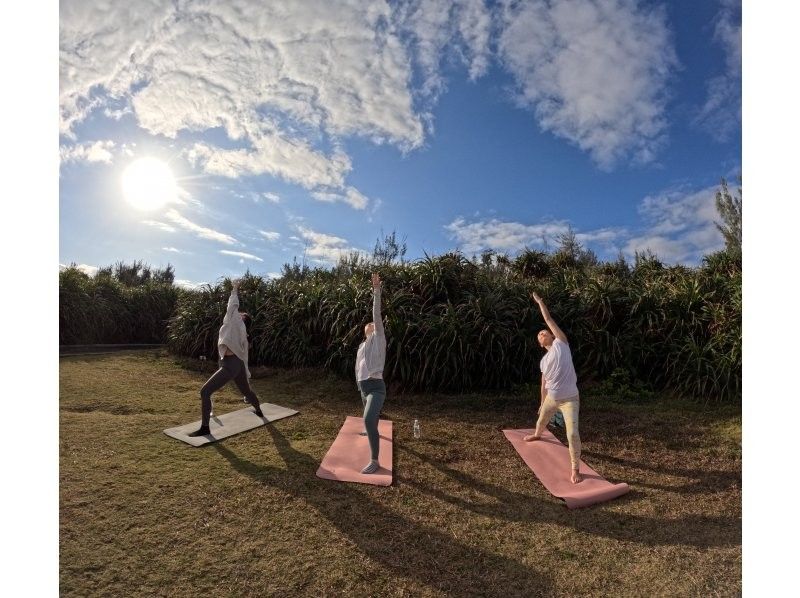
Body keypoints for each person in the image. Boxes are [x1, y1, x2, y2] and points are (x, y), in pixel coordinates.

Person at [188, 279, 263, 437]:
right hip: (236, 364)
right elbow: (245, 358)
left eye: (241, 314)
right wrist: (245, 372)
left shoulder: (235, 322)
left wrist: (235, 288)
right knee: (247, 392)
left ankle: (205, 428)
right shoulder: (242, 334)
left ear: (242, 319)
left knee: (205, 392)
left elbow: (232, 305)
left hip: (231, 365)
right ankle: (259, 411)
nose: (238, 313)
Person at [524, 291, 583, 484]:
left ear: (551, 335)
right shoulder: (543, 361)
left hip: (570, 399)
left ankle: (575, 469)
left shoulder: (561, 343)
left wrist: (540, 301)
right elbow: (543, 384)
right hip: (552, 398)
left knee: (572, 433)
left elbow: (548, 319)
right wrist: (542, 403)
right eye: (539, 334)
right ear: (540, 344)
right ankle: (537, 435)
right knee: (541, 420)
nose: (542, 333)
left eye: (544, 331)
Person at [354, 272, 387, 474]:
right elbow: (358, 367)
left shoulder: (379, 339)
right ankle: (371, 431)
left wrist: (376, 291)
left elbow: (376, 314)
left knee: (367, 420)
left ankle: (375, 460)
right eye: (368, 324)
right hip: (363, 387)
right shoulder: (362, 346)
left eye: (373, 323)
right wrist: (358, 384)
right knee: (370, 419)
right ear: (364, 330)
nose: (371, 323)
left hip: (376, 387)